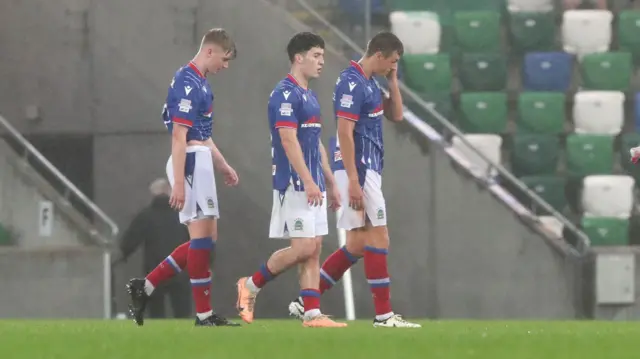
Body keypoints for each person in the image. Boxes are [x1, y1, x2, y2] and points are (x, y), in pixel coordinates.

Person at [287, 31, 421, 328]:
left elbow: (397, 115)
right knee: (379, 237)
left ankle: (305, 301)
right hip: (357, 167)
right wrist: (353, 180)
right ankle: (384, 316)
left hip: (367, 167)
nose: (393, 66)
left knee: (359, 243)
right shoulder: (351, 82)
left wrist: (393, 81)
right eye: (393, 62)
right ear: (379, 55)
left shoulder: (371, 83)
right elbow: (344, 133)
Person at [126, 28, 241, 327]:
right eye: (224, 59)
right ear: (210, 51)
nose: (225, 67)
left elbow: (203, 135)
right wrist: (178, 182)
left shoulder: (201, 84)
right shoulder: (187, 82)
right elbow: (179, 135)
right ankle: (202, 314)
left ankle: (146, 287)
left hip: (199, 159)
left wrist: (223, 165)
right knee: (202, 241)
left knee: (205, 241)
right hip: (189, 162)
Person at [235, 32, 346, 328]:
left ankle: (311, 314)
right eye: (316, 56)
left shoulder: (309, 95)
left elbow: (314, 142)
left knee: (315, 247)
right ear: (299, 58)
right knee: (303, 248)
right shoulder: (284, 93)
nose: (322, 62)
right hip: (294, 183)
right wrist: (308, 180)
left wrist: (330, 180)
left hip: (314, 184)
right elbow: (288, 140)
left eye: (323, 56)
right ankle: (250, 286)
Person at [118, 178, 191, 319]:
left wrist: (123, 254)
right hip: (181, 270)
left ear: (153, 194)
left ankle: (160, 338)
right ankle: (185, 337)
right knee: (182, 313)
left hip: (155, 269)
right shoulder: (184, 214)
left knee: (157, 314)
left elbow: (130, 240)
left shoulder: (146, 215)